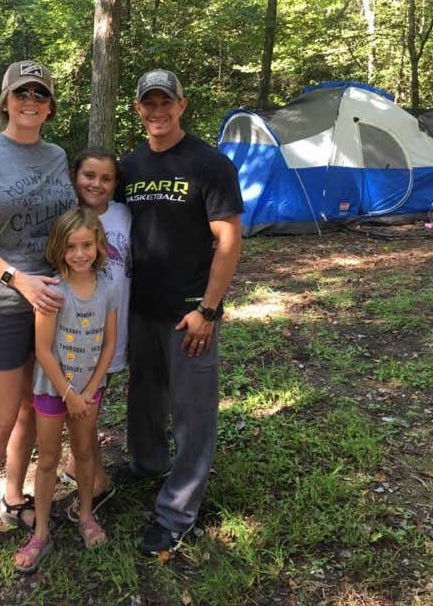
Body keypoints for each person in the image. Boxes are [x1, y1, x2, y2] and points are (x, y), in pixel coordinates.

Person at [0, 60, 76, 577]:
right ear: (6, 100)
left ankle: (15, 495)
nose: (30, 101)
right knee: (0, 417)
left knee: (30, 411)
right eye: (21, 92)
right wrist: (16, 279)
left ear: (49, 105)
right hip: (0, 305)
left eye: (40, 94)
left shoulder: (57, 155)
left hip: (50, 307)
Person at [118, 69, 244, 555]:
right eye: (148, 103)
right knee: (144, 395)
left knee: (192, 413)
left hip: (190, 311)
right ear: (138, 109)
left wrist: (209, 311)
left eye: (165, 101)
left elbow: (228, 242)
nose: (157, 111)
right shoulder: (128, 167)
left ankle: (177, 511)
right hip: (141, 307)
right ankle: (147, 463)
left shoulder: (209, 164)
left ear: (182, 105)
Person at [14, 207, 118, 573]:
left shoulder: (107, 287)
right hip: (52, 391)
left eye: (86, 245)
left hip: (90, 391)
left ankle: (86, 515)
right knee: (47, 459)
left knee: (86, 452)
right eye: (71, 246)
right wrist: (69, 394)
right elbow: (43, 350)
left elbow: (109, 345)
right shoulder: (52, 290)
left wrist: (88, 391)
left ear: (98, 245)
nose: (79, 253)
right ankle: (40, 532)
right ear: (59, 248)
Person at [61, 148, 132, 518]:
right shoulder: (66, 218)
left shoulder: (125, 215)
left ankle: (91, 475)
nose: (97, 184)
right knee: (81, 407)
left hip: (110, 330)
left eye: (106, 178)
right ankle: (93, 476)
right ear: (75, 176)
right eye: (89, 175)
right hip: (71, 335)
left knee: (90, 406)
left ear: (116, 184)